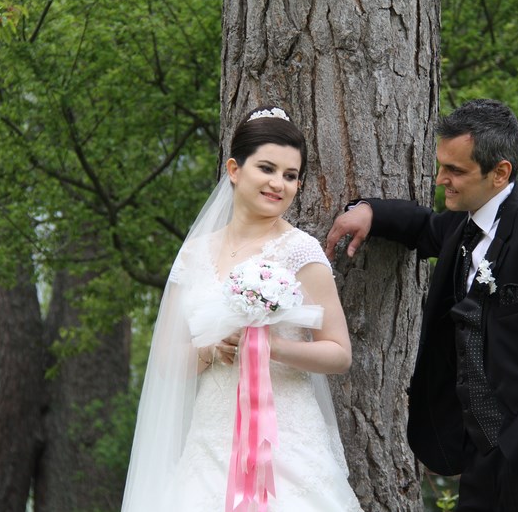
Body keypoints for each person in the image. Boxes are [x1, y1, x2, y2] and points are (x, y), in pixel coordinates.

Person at [326, 99, 518, 511]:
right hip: (481, 460)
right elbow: (425, 228)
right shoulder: (465, 225)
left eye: (456, 170)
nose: (441, 179)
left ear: (500, 173)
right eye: (442, 165)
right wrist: (370, 212)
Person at [122, 106, 363, 511]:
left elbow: (339, 354)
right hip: (209, 439)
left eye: (290, 176)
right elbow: (165, 359)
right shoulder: (193, 254)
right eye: (267, 169)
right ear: (234, 170)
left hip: (285, 441)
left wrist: (272, 347)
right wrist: (211, 349)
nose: (278, 184)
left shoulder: (301, 251)